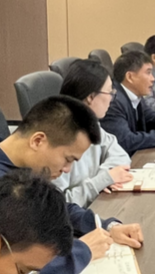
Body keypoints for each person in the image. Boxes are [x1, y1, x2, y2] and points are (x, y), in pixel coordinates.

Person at [0, 95, 143, 274]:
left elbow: (53, 210)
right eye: (68, 159)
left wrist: (106, 226)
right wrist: (82, 252)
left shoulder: (5, 160)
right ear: (37, 141)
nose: (67, 169)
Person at [57, 58, 135, 207]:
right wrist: (101, 181)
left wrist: (103, 178)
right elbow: (58, 205)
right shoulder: (59, 138)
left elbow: (120, 155)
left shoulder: (91, 123)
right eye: (109, 92)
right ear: (91, 97)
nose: (112, 99)